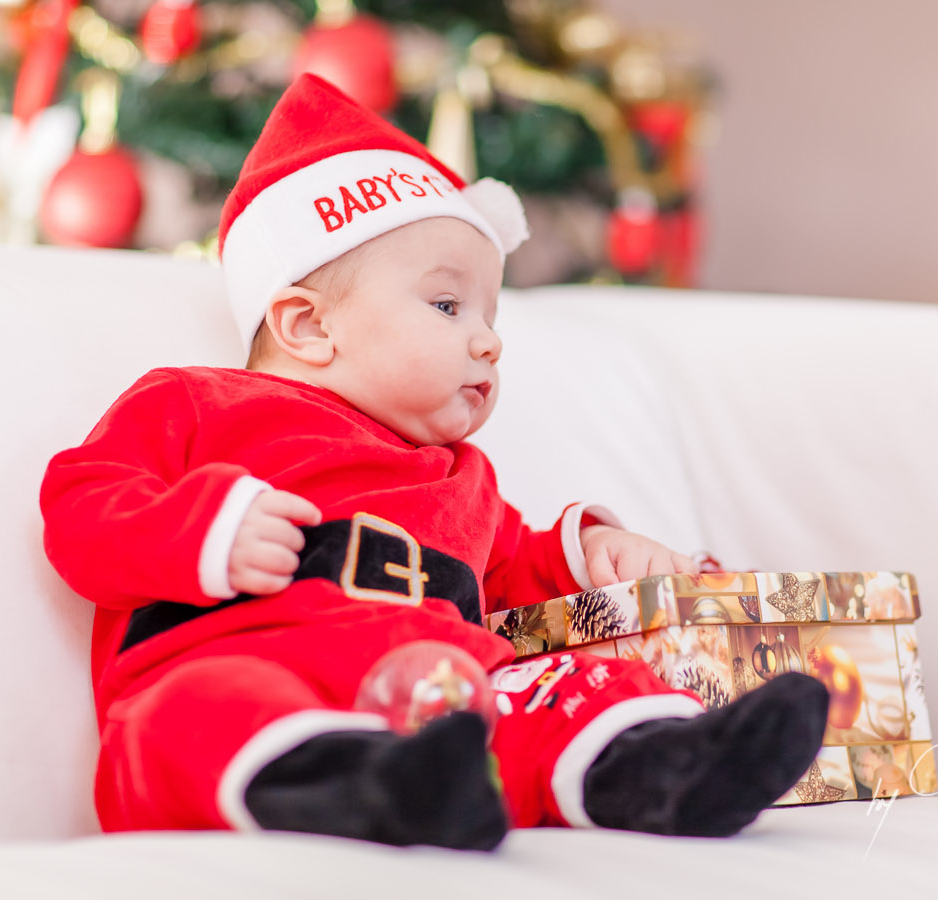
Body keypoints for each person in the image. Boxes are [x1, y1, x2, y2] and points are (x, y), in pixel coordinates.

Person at [40, 73, 829, 852]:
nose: (488, 340)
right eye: (449, 307)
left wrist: (585, 553)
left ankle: (668, 766)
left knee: (562, 690)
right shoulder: (195, 404)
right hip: (249, 663)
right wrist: (206, 530)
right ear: (308, 326)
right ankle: (350, 783)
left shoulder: (460, 473)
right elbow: (82, 508)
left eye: (491, 314)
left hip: (444, 692)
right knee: (195, 713)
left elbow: (513, 568)